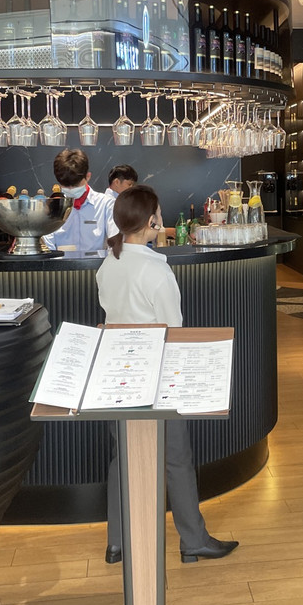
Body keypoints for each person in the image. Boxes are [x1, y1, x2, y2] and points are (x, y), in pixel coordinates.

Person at [96, 184, 239, 565]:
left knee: (122, 458)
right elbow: (173, 329)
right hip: (156, 373)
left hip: (117, 372)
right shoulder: (156, 271)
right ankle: (193, 539)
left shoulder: (109, 264)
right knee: (175, 459)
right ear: (152, 221)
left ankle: (117, 541)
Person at [42, 149, 117, 255]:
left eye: (75, 185)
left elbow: (115, 242)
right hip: (60, 264)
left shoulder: (106, 204)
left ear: (88, 176)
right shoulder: (54, 206)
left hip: (96, 264)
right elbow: (48, 244)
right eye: (66, 186)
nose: (71, 189)